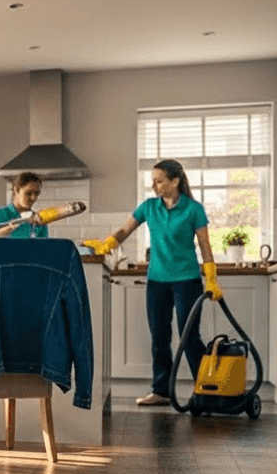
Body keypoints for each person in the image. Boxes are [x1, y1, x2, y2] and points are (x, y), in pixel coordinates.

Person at [83, 159, 220, 407]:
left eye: (159, 181)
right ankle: (161, 391)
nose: (154, 186)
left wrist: (211, 279)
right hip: (157, 281)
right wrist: (107, 244)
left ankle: (206, 391)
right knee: (159, 336)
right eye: (153, 181)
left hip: (187, 280)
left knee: (189, 336)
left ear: (175, 181)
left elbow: (205, 246)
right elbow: (124, 231)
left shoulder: (193, 209)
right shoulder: (149, 207)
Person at [0, 172, 50, 238]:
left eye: (37, 193)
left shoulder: (39, 221)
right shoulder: (1, 214)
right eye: (28, 193)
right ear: (16, 190)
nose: (34, 198)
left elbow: (44, 247)